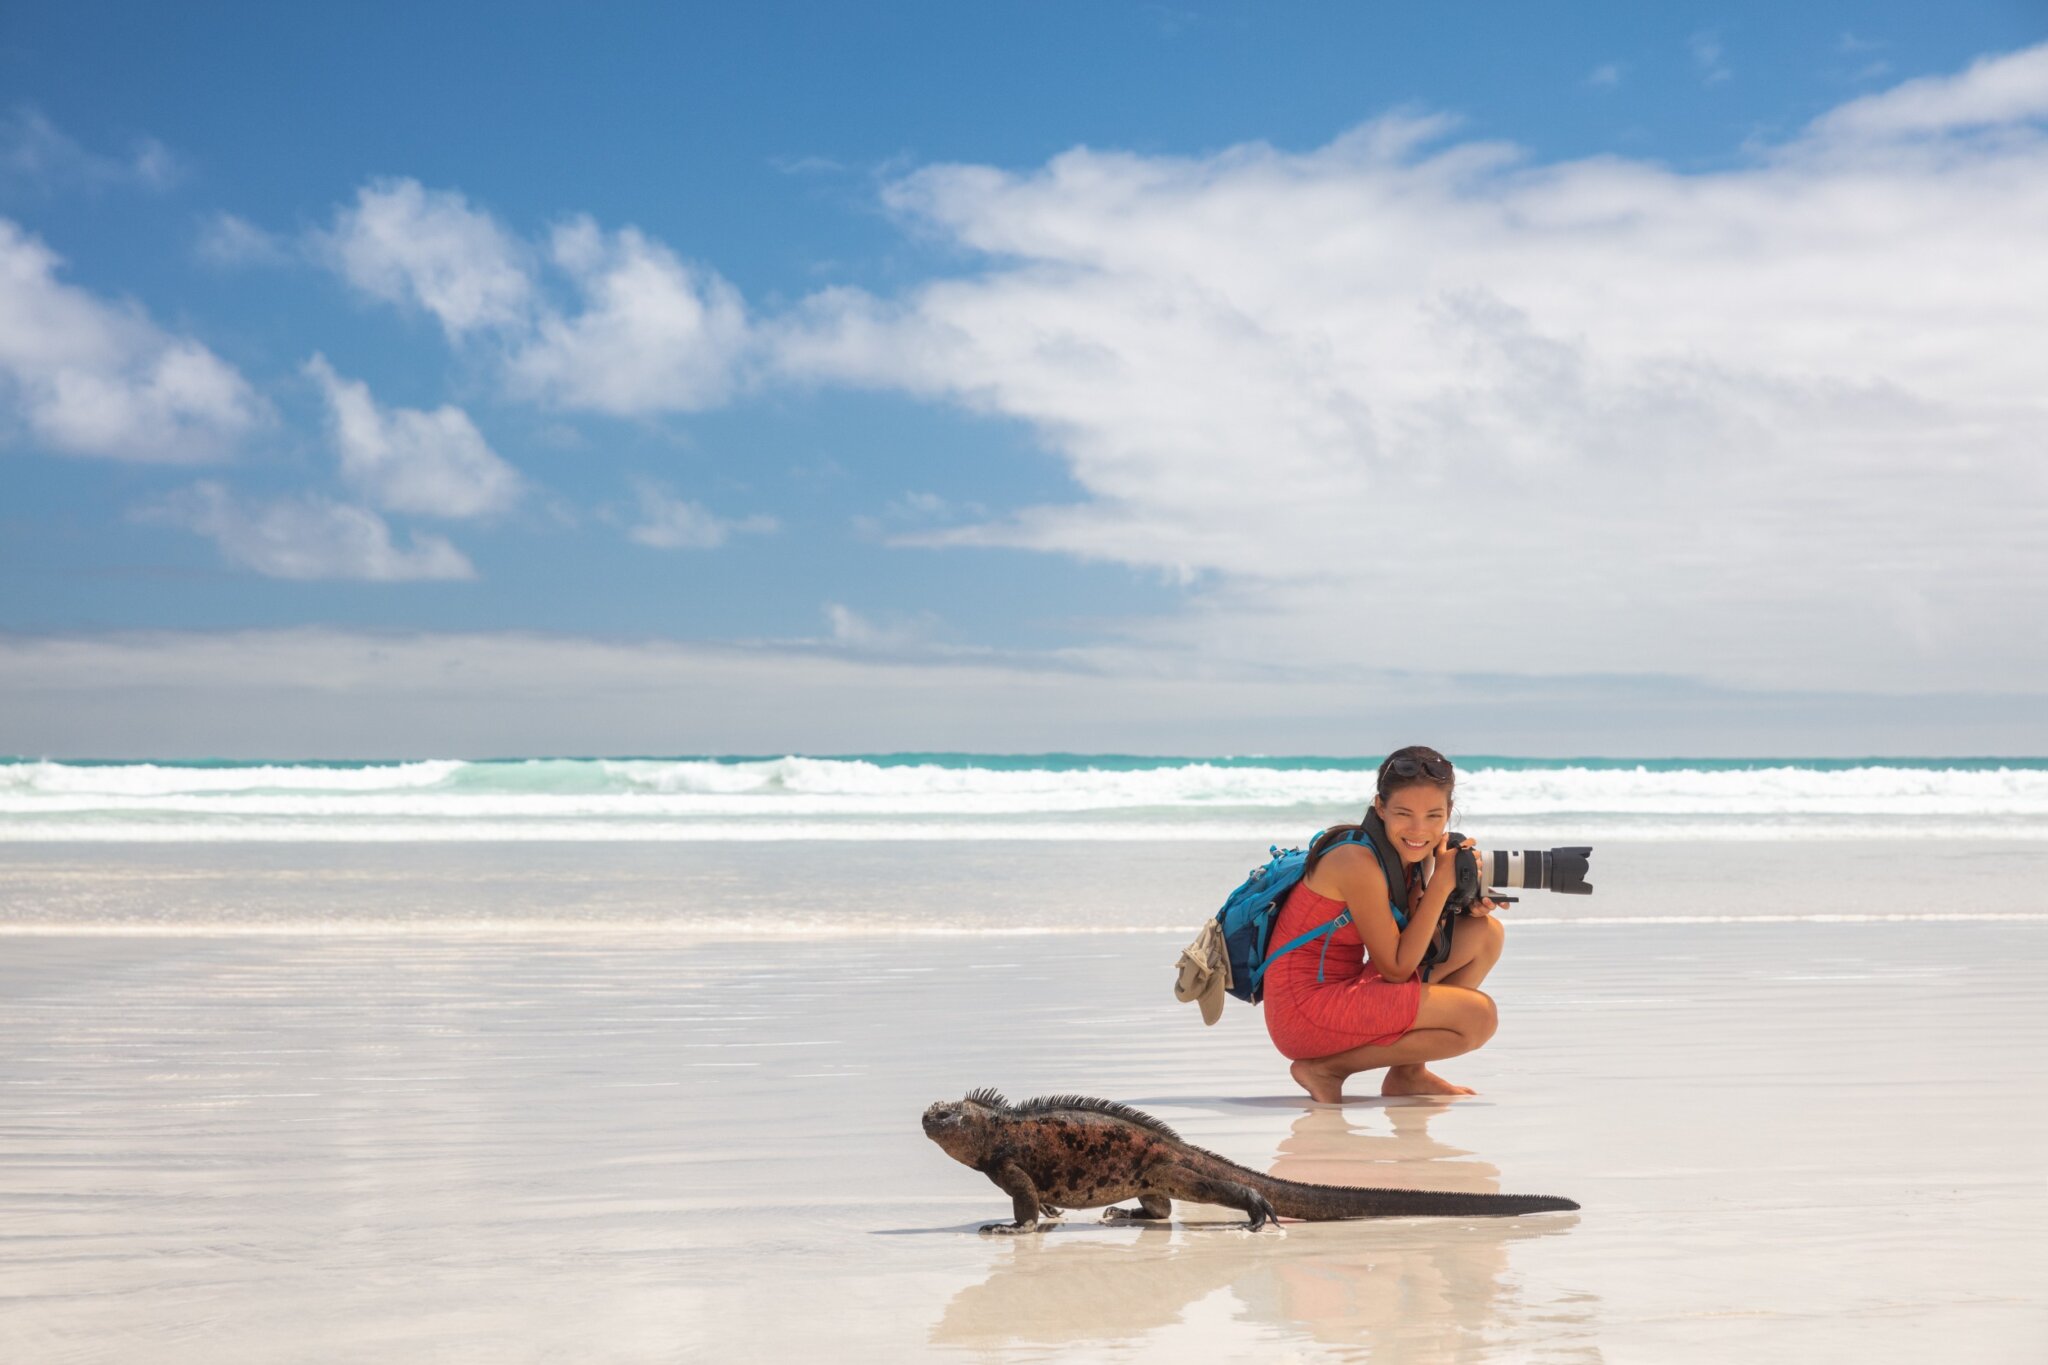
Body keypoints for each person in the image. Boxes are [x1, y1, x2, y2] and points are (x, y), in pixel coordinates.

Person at [1263, 746, 1506, 1102]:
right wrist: (1441, 884)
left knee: (1483, 935)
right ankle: (1326, 1069)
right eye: (1404, 814)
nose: (1418, 830)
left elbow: (1413, 939)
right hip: (1305, 1012)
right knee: (1479, 1018)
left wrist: (1461, 900)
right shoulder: (1355, 860)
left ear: (1449, 813)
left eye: (1433, 816)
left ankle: (1408, 1074)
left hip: (1346, 989)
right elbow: (1395, 968)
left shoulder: (1404, 854)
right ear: (1380, 808)